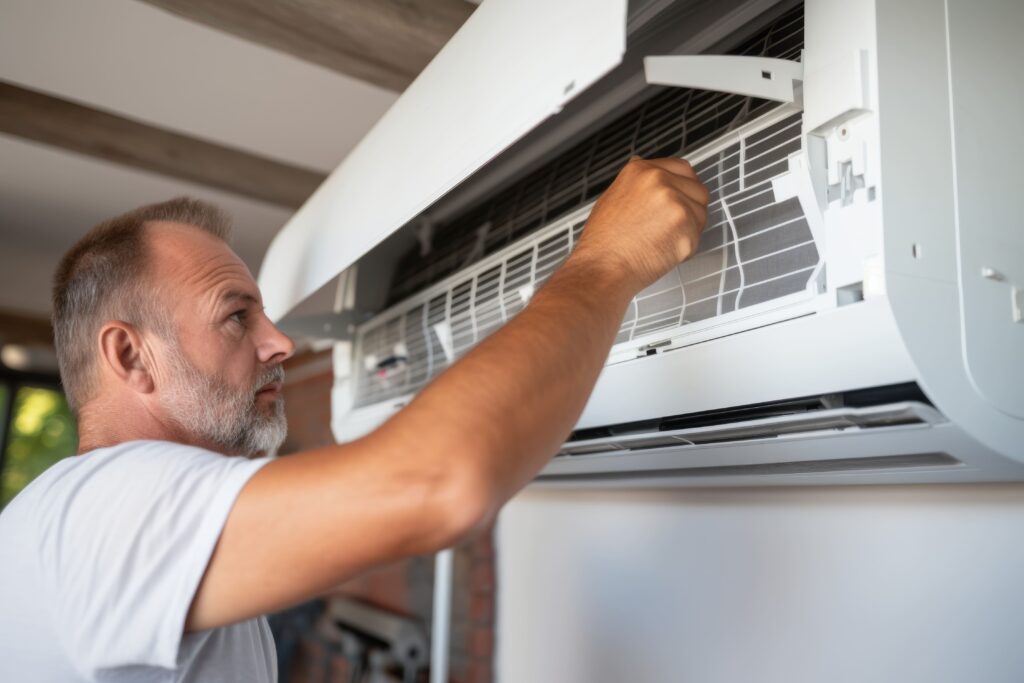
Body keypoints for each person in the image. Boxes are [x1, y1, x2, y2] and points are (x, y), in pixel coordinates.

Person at [0, 156, 708, 681]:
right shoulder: (107, 506)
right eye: (236, 315)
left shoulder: (72, 528)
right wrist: (608, 259)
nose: (279, 342)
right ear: (131, 355)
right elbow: (439, 482)